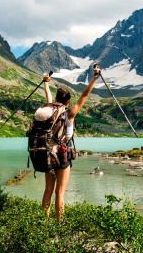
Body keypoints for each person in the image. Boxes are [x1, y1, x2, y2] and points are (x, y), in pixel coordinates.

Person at [42, 64, 100, 220]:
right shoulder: (70, 113)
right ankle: (59, 225)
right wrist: (95, 76)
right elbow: (85, 95)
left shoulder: (49, 110)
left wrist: (46, 82)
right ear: (68, 102)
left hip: (48, 153)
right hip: (62, 155)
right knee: (59, 192)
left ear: (56, 100)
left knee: (48, 190)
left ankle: (41, 222)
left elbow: (48, 98)